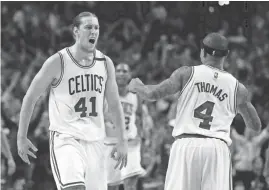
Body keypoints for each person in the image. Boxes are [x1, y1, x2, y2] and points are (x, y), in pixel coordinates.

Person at [128, 32, 262, 190]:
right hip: (216, 149)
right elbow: (255, 126)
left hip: (186, 145)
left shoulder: (186, 73)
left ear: (202, 52)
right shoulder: (238, 88)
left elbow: (153, 94)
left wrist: (137, 86)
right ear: (226, 55)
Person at [17, 12, 128, 190]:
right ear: (76, 31)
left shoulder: (105, 63)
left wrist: (122, 140)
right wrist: (21, 137)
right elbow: (30, 97)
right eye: (88, 27)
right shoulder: (58, 61)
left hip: (96, 140)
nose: (94, 31)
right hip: (66, 138)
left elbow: (115, 105)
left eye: (97, 28)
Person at [104, 63, 146, 190]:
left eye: (125, 71)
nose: (121, 73)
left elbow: (139, 116)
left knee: (130, 184)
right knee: (111, 186)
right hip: (110, 144)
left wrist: (140, 136)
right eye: (118, 71)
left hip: (130, 144)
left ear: (130, 75)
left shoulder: (136, 95)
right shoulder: (104, 93)